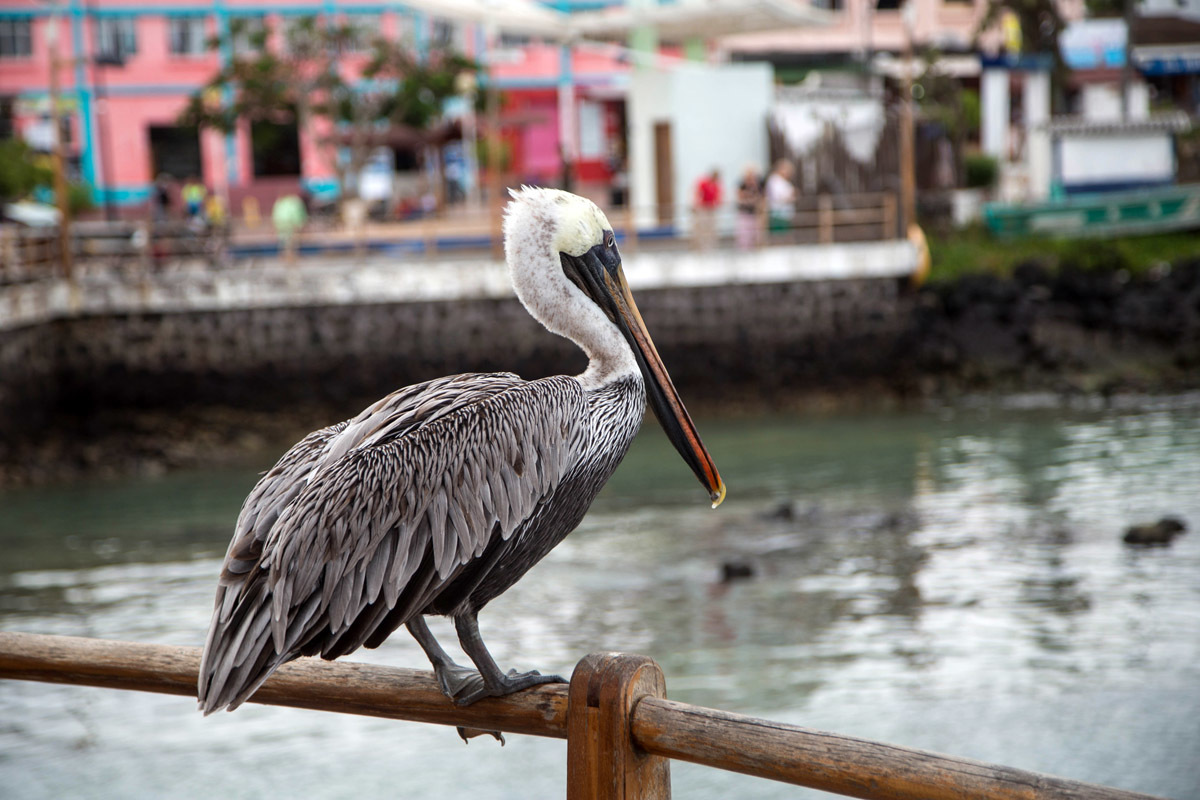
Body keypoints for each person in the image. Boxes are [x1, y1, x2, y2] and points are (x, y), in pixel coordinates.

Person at [735, 166, 763, 250]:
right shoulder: (742, 185)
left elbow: (760, 197)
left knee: (756, 234)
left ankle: (756, 249)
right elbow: (740, 197)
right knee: (744, 235)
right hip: (745, 212)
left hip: (755, 213)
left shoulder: (758, 185)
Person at [692, 168, 722, 250]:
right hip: (703, 209)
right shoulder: (703, 183)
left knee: (711, 229)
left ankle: (711, 247)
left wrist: (716, 204)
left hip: (711, 209)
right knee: (702, 229)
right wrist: (697, 204)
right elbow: (698, 194)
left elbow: (719, 197)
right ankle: (700, 248)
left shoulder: (716, 185)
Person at [765, 160, 796, 235]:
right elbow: (778, 196)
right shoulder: (775, 180)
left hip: (784, 213)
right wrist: (790, 197)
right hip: (778, 212)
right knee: (779, 235)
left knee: (785, 234)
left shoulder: (783, 181)